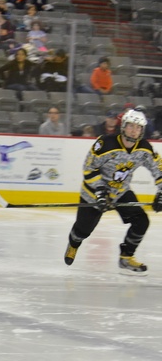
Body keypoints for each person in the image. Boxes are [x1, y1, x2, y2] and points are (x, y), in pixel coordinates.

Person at [64, 109, 162, 274]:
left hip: (120, 192)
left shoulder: (144, 148)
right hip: (93, 192)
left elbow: (158, 168)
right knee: (83, 230)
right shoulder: (105, 143)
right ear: (123, 126)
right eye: (131, 126)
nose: (134, 130)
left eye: (138, 128)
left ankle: (126, 257)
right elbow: (89, 168)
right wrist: (100, 191)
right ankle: (73, 244)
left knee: (141, 221)